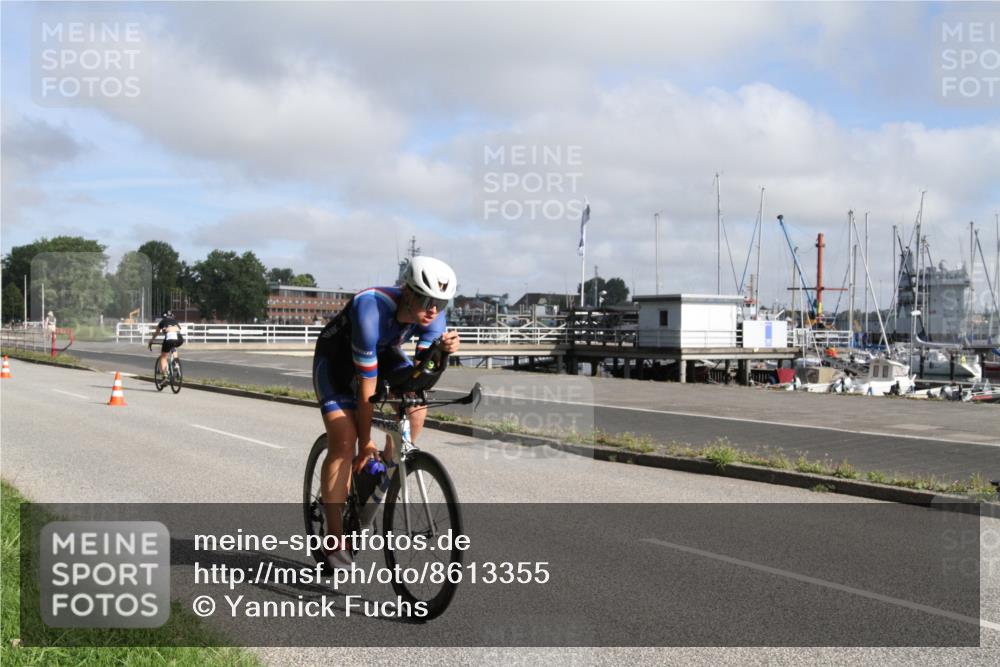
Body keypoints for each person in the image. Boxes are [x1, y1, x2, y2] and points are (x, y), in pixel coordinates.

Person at [312, 256, 460, 568]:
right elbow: (367, 387)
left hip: (383, 352)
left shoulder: (433, 318)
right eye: (427, 299)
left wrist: (439, 355)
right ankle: (334, 538)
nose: (434, 309)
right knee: (345, 437)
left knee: (416, 407)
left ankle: (382, 473)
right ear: (407, 291)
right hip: (337, 360)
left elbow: (420, 378)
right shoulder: (371, 307)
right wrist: (365, 442)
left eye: (442, 303)